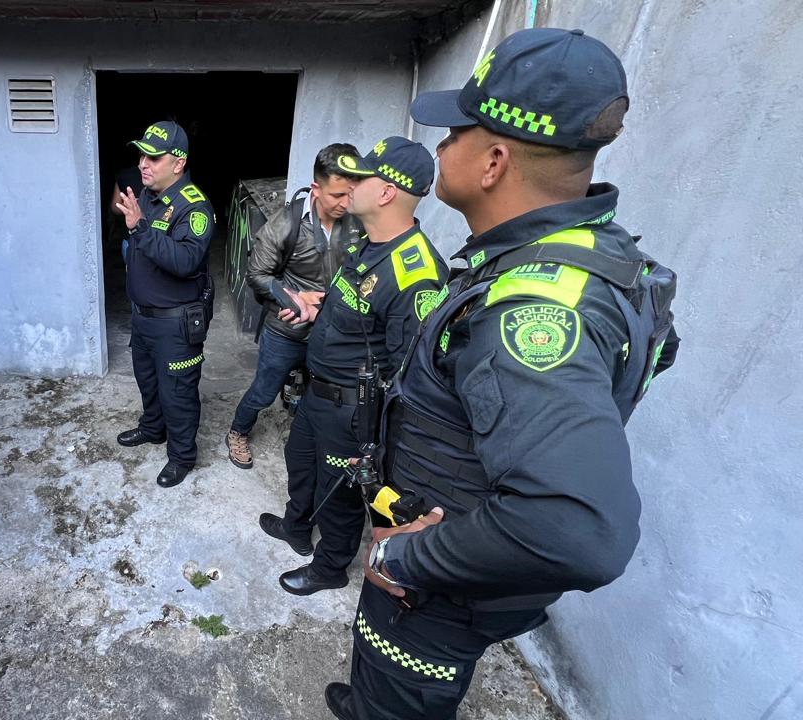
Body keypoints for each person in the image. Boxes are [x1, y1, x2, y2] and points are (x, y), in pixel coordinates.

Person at [326, 29, 680, 719]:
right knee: (380, 681)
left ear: (492, 161)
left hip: (436, 588)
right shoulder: (591, 254)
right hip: (451, 547)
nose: (440, 148)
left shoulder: (535, 308)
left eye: (455, 130)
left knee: (399, 697)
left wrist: (408, 560)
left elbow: (581, 531)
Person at [261, 136, 446, 597]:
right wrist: (315, 308)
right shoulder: (366, 244)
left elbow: (411, 371)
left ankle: (328, 569)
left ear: (386, 193)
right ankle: (296, 527)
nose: (349, 185)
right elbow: (356, 311)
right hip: (318, 394)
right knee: (298, 461)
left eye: (361, 177)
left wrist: (375, 440)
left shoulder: (416, 272)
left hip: (350, 410)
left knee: (339, 496)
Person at [225, 143, 363, 470]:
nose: (346, 203)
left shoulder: (359, 224)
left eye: (351, 194)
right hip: (286, 331)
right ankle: (237, 431)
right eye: (337, 195)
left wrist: (328, 301)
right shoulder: (285, 224)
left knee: (323, 396)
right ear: (316, 188)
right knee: (263, 391)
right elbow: (256, 273)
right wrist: (292, 298)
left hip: (331, 332)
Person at [113, 121, 215, 488]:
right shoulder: (147, 196)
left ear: (178, 163)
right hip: (143, 318)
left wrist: (139, 228)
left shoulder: (195, 207)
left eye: (154, 157)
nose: (144, 163)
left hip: (175, 324)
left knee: (178, 393)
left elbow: (186, 261)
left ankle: (182, 456)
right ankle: (152, 429)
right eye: (142, 154)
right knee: (148, 381)